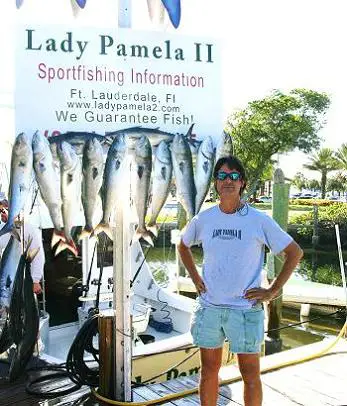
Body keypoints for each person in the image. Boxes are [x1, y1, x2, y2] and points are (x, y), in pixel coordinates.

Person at [178, 156, 303, 406]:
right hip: (210, 307)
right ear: (215, 182)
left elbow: (294, 253)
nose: (228, 181)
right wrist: (195, 277)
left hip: (245, 311)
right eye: (222, 176)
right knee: (209, 370)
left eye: (234, 176)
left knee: (250, 374)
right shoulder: (204, 219)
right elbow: (183, 245)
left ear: (242, 183)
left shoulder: (258, 220)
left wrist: (271, 291)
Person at [0, 198, 44, 298]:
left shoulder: (27, 228)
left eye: (4, 210)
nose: (1, 213)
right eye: (0, 211)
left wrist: (35, 280)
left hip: (23, 279)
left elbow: (37, 255)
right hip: (5, 281)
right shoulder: (1, 231)